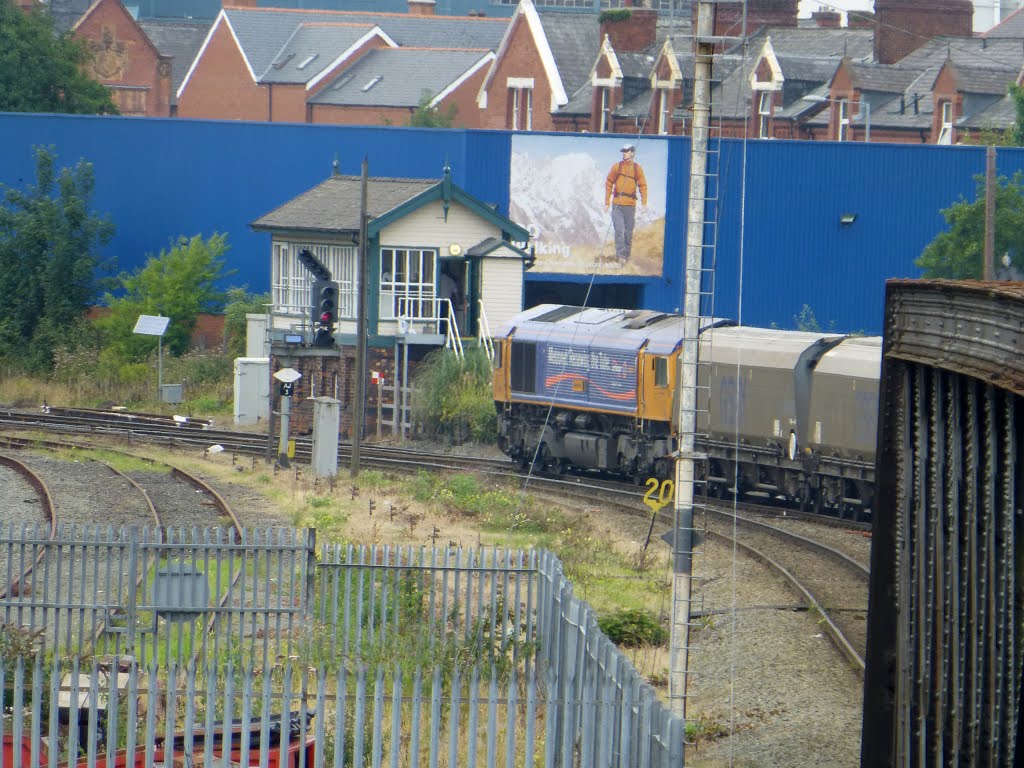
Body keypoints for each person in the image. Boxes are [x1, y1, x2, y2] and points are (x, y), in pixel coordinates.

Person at [605, 143, 648, 264]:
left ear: (632, 153)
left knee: (628, 233)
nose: (624, 153)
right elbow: (609, 183)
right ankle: (621, 257)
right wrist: (607, 202)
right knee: (619, 230)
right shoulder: (616, 167)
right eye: (623, 151)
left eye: (626, 151)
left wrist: (644, 202)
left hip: (630, 205)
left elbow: (643, 186)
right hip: (617, 205)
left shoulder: (637, 169)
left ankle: (627, 256)